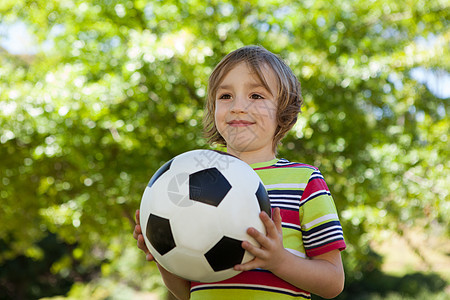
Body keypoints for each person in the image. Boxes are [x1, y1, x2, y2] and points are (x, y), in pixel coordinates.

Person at [133, 45, 346, 299]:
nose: (237, 106)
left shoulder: (304, 182)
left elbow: (333, 282)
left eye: (256, 96)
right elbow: (187, 293)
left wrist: (279, 261)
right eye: (225, 96)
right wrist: (163, 254)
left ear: (283, 111)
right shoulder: (190, 180)